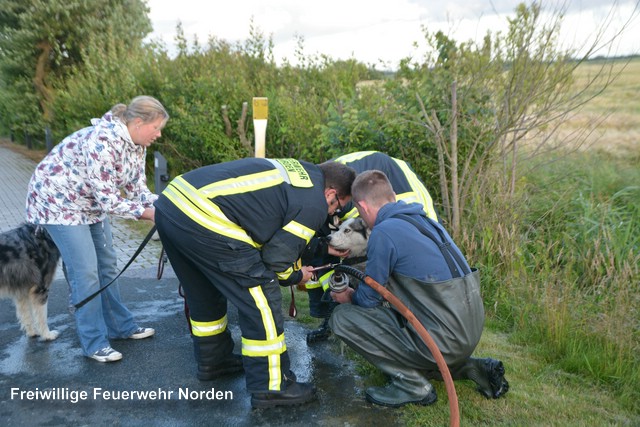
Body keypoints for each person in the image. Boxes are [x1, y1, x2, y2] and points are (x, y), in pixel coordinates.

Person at [153, 158, 356, 408]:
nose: (331, 213)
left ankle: (214, 360)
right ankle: (271, 387)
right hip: (204, 216)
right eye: (337, 207)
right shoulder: (315, 202)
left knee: (204, 290)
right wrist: (296, 276)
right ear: (331, 193)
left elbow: (270, 227)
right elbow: (276, 261)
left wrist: (322, 246)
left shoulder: (301, 175)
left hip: (172, 204)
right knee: (261, 293)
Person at [328, 170, 509, 407]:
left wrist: (348, 296)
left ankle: (413, 386)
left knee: (343, 318)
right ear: (392, 195)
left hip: (446, 338)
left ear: (362, 206)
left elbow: (368, 300)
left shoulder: (384, 232)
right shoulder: (426, 221)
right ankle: (470, 366)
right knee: (399, 321)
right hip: (470, 328)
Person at [25, 95, 168, 362]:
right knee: (86, 272)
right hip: (58, 204)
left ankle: (120, 327)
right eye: (156, 128)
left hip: (90, 204)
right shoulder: (102, 141)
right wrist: (149, 214)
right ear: (138, 122)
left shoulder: (137, 144)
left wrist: (170, 205)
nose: (158, 134)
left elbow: (138, 191)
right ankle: (94, 342)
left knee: (107, 265)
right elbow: (109, 200)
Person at [302, 151, 439, 343]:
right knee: (333, 247)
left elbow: (363, 245)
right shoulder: (319, 195)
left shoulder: (342, 198)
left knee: (395, 265)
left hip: (401, 195)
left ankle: (407, 329)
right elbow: (325, 247)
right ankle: (332, 317)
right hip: (373, 185)